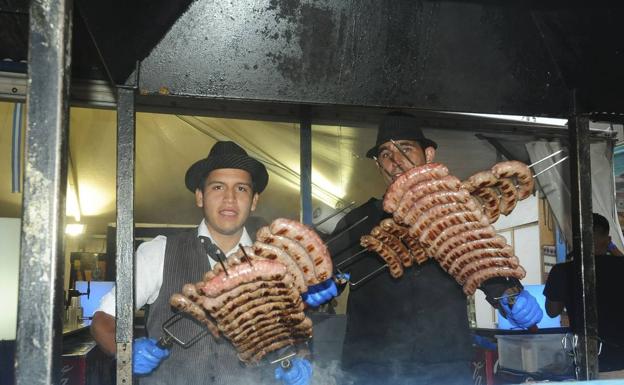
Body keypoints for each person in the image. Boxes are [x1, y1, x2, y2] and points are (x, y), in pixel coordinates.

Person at [328, 112, 542, 385]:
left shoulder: (457, 214)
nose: (395, 162)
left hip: (445, 364)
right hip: (372, 367)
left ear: (428, 155)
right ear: (378, 165)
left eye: (405, 149)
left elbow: (487, 269)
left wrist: (512, 297)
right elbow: (328, 279)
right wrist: (320, 290)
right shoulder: (358, 222)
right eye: (385, 154)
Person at [91, 141, 325, 385]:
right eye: (218, 187)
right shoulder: (158, 252)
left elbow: (291, 336)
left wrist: (298, 358)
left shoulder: (274, 263)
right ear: (200, 197)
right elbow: (104, 319)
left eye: (242, 189)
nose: (230, 199)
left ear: (254, 200)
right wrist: (124, 350)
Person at [544, 213, 624, 378]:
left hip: (585, 364)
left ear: (577, 238)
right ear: (607, 239)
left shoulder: (562, 271)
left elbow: (552, 311)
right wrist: (612, 247)